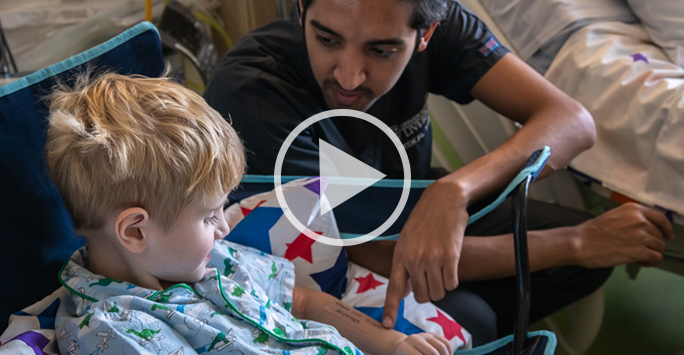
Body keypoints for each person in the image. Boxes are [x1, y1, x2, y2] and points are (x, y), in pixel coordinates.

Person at [203, 0, 675, 344]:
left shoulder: (437, 23)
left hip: (412, 209)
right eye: (327, 39)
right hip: (328, 267)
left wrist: (455, 189)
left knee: (577, 264)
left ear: (425, 36)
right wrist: (576, 244)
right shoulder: (256, 96)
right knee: (483, 312)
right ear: (303, 9)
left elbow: (571, 120)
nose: (349, 76)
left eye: (382, 51)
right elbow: (369, 254)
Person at [43, 72, 453, 355]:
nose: (224, 226)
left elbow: (302, 302)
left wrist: (387, 342)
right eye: (208, 217)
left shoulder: (202, 261)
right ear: (134, 231)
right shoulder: (116, 331)